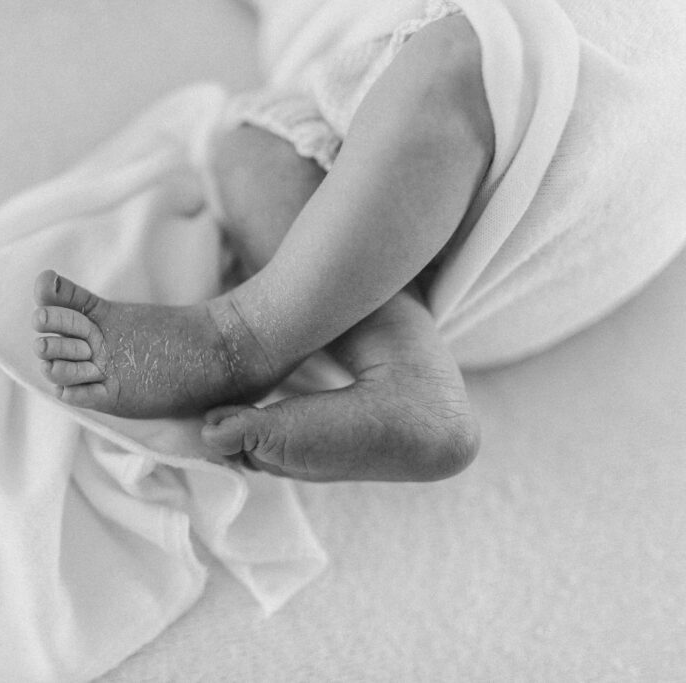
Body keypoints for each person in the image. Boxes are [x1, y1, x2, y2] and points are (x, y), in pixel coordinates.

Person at [30, 14, 489, 482]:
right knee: (249, 153)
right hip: (433, 265)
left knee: (455, 56)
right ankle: (405, 364)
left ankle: (241, 338)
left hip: (520, 144)